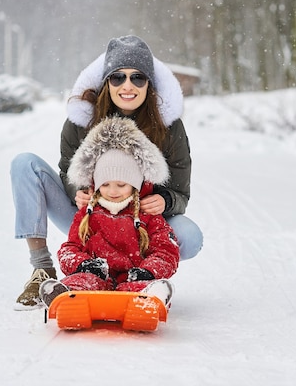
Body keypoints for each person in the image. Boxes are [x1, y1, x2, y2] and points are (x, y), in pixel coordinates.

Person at [10, 35, 202, 309]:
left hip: (140, 223)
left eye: (138, 78)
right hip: (90, 220)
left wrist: (167, 200)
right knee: (24, 163)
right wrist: (77, 192)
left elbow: (181, 191)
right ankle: (43, 270)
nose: (127, 86)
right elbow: (67, 172)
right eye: (117, 77)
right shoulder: (82, 120)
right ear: (105, 82)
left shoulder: (168, 127)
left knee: (191, 237)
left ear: (150, 83)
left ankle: (140, 273)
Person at [39, 116, 179, 309]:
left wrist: (148, 271)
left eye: (121, 185)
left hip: (133, 278)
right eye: (105, 184)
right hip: (96, 277)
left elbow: (166, 251)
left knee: (142, 288)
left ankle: (149, 301)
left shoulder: (148, 214)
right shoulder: (87, 215)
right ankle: (64, 299)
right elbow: (69, 248)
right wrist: (83, 264)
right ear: (95, 184)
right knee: (82, 282)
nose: (113, 191)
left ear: (135, 184)